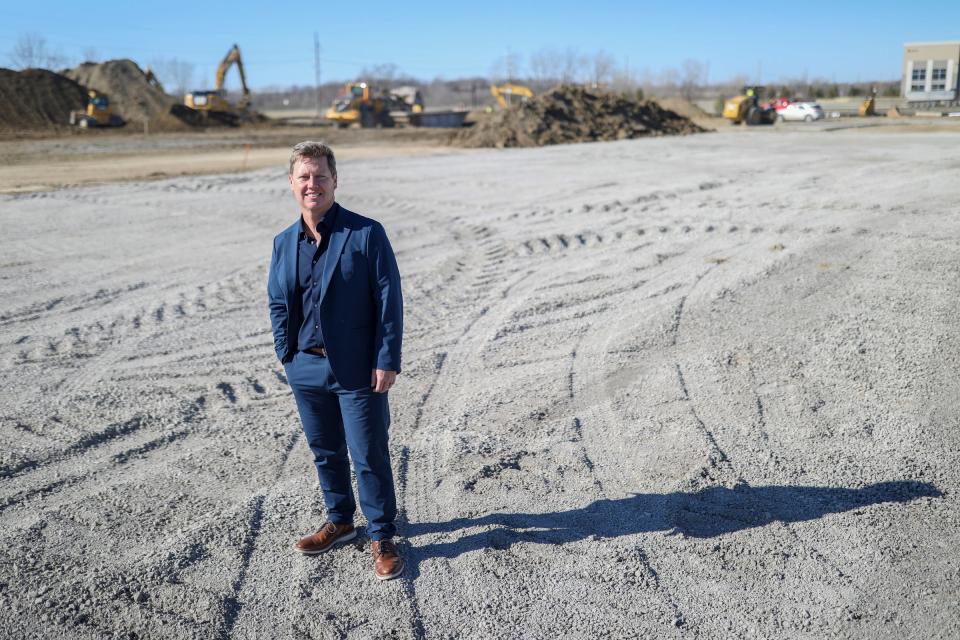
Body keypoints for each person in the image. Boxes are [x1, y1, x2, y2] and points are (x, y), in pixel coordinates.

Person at [268, 141, 404, 580]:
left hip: (358, 370)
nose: (313, 184)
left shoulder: (365, 234)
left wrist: (387, 359)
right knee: (325, 451)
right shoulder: (283, 243)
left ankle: (382, 534)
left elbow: (389, 301)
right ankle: (341, 522)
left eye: (320, 176)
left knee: (368, 454)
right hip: (305, 368)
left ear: (334, 181)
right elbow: (277, 301)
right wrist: (285, 353)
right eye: (304, 177)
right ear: (292, 183)